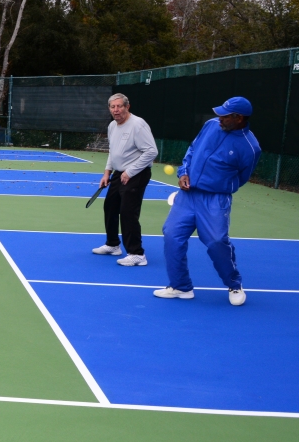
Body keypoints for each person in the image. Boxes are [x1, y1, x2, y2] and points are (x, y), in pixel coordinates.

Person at [154, 97, 261, 306]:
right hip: (187, 195)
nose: (219, 118)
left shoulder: (250, 147)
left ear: (239, 118)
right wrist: (184, 172)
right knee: (172, 235)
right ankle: (180, 286)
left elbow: (242, 176)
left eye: (225, 115)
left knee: (216, 242)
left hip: (215, 200)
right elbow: (192, 150)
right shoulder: (211, 125)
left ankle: (234, 284)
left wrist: (218, 186)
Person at [91, 93, 158, 266]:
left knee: (128, 212)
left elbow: (151, 152)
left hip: (137, 174)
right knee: (110, 207)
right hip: (118, 174)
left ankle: (137, 254)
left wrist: (130, 171)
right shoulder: (112, 126)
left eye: (119, 106)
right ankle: (113, 245)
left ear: (127, 107)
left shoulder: (138, 124)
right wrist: (107, 172)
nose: (116, 110)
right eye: (113, 107)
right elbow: (113, 153)